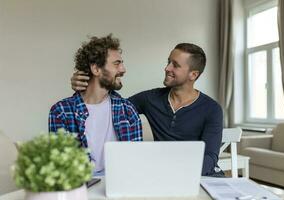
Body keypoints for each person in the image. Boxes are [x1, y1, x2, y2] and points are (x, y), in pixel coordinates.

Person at [71, 43, 223, 176]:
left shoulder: (212, 109)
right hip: (160, 177)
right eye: (168, 62)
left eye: (175, 65)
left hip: (200, 176)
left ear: (193, 75)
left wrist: (168, 172)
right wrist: (88, 83)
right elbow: (113, 106)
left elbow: (209, 158)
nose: (167, 68)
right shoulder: (150, 98)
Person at [49, 34, 143, 175]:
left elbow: (136, 163)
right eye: (117, 64)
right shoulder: (61, 112)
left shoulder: (127, 110)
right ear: (96, 69)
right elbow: (61, 167)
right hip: (80, 186)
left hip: (119, 183)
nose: (123, 69)